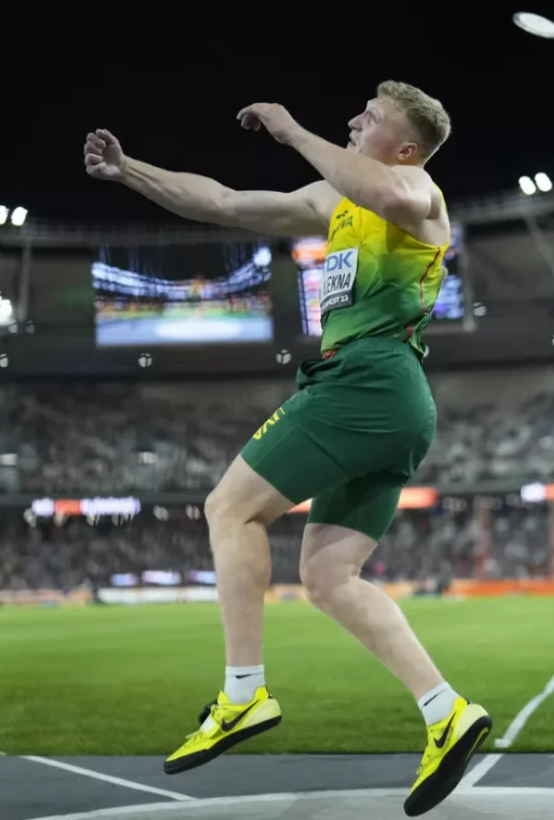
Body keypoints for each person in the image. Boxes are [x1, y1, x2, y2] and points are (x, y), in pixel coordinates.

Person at [84, 80, 491, 817]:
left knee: (228, 508)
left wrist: (293, 130)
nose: (353, 120)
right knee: (330, 578)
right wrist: (129, 170)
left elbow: (387, 193)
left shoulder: (415, 187)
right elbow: (223, 202)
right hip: (391, 399)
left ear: (405, 147)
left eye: (369, 118)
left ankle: (243, 693)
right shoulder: (338, 203)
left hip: (365, 380)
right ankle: (447, 712)